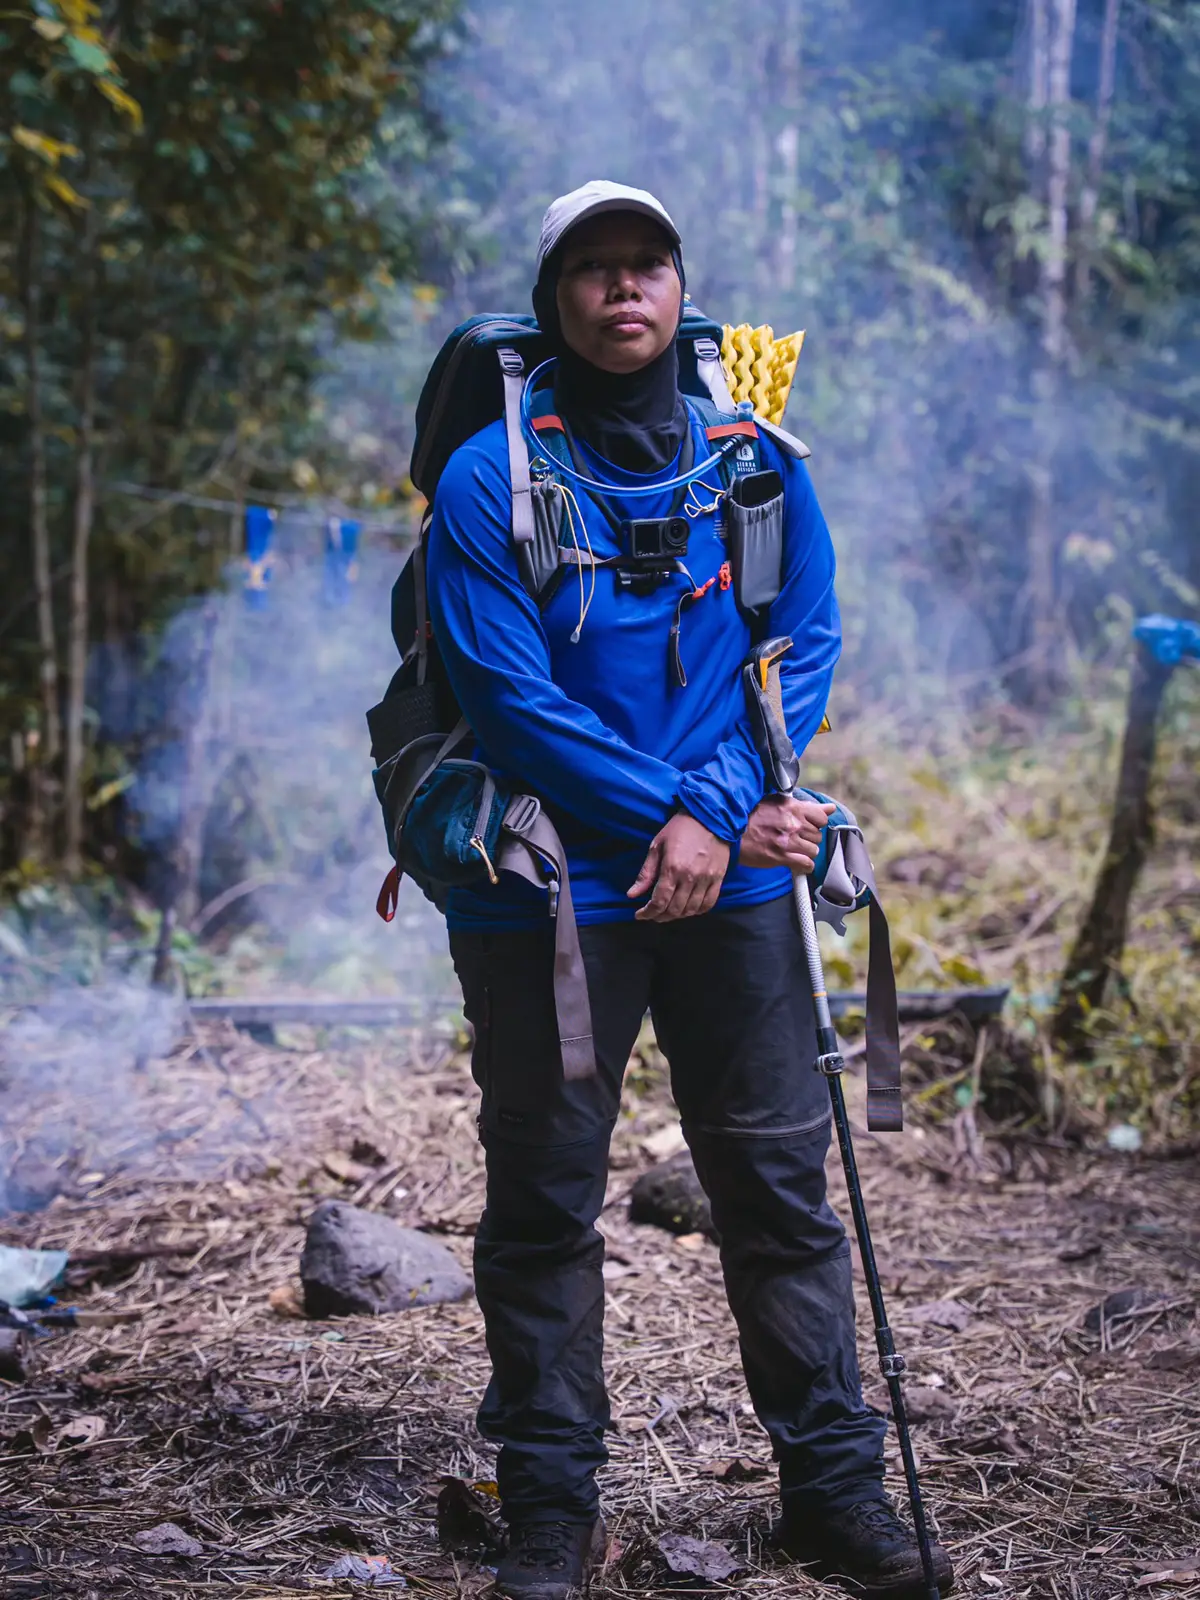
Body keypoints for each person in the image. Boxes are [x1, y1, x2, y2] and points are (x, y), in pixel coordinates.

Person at [425, 180, 954, 1600]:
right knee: (543, 1207)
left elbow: (810, 637)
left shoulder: (756, 458)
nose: (622, 291)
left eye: (644, 263)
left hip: (729, 887)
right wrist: (688, 812)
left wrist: (713, 818)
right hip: (544, 898)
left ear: (678, 282)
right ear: (554, 300)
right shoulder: (493, 479)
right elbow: (512, 702)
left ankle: (834, 1496)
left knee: (781, 1189)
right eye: (590, 270)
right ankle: (548, 1517)